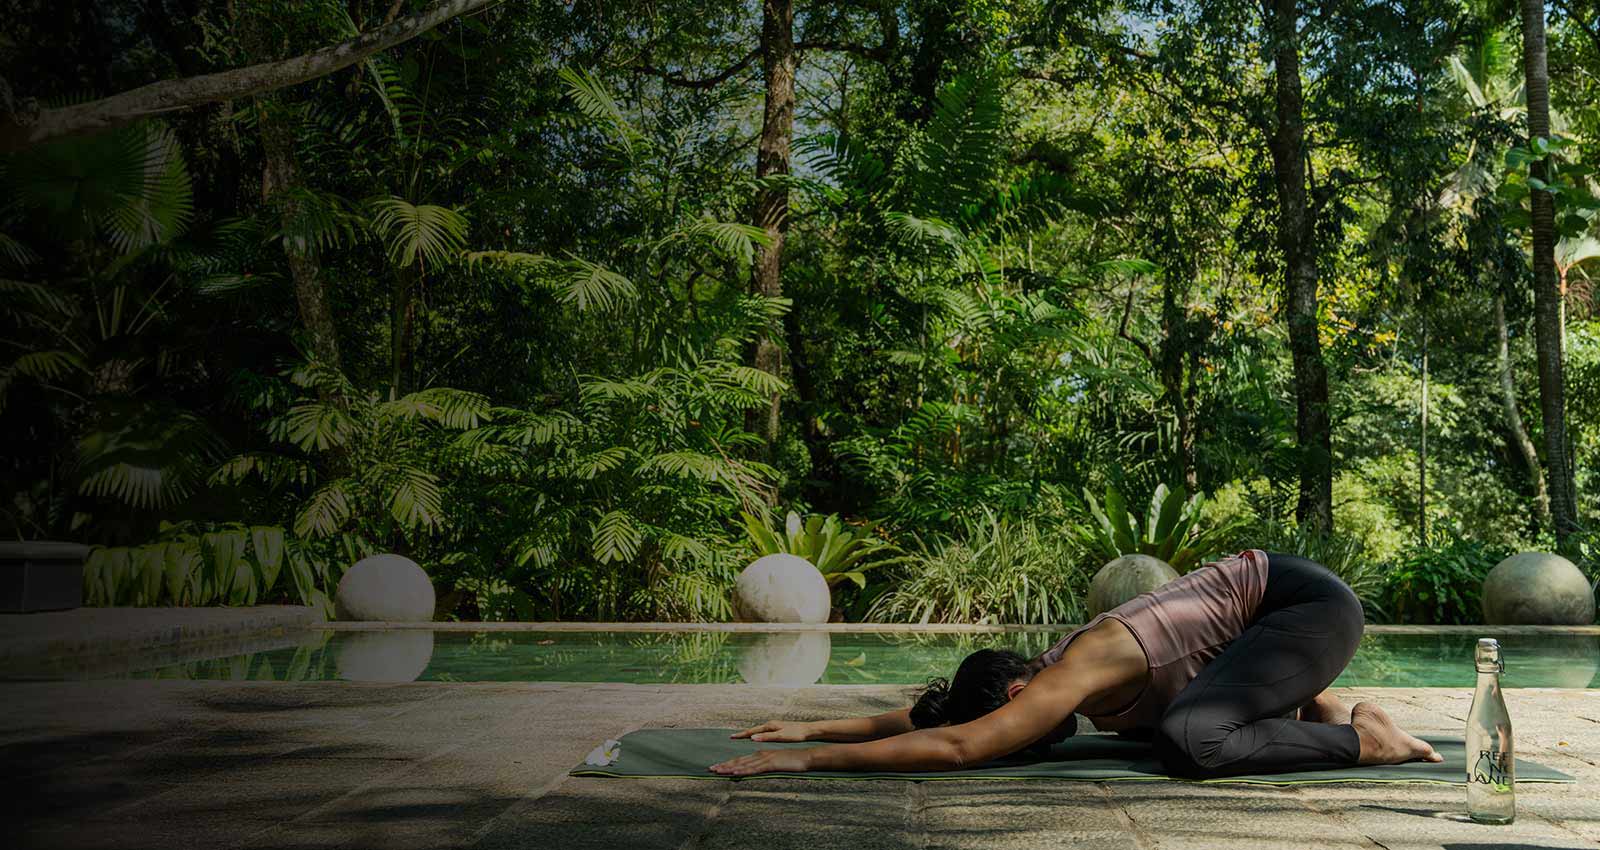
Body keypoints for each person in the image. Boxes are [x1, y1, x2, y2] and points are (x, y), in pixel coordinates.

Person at [710, 550, 1443, 778]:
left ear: (1019, 693)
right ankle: (1310, 705)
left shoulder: (1074, 671)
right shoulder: (1046, 678)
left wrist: (805, 765)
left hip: (1309, 611)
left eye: (1018, 728)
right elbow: (940, 719)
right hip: (1274, 637)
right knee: (1169, 729)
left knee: (1188, 740)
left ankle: (1366, 739)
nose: (1024, 739)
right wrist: (814, 728)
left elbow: (962, 744)